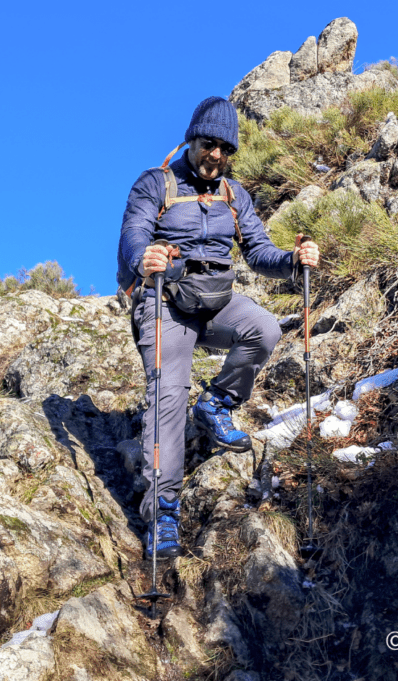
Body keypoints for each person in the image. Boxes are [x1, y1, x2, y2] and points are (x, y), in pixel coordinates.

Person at [117, 96, 320, 559]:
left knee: (265, 329)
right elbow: (133, 234)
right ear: (192, 140)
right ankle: (163, 510)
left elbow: (260, 252)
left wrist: (293, 261)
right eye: (210, 144)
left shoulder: (236, 195)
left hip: (216, 301)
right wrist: (142, 258)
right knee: (167, 397)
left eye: (226, 149)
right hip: (164, 302)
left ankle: (217, 403)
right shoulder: (157, 184)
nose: (217, 155)